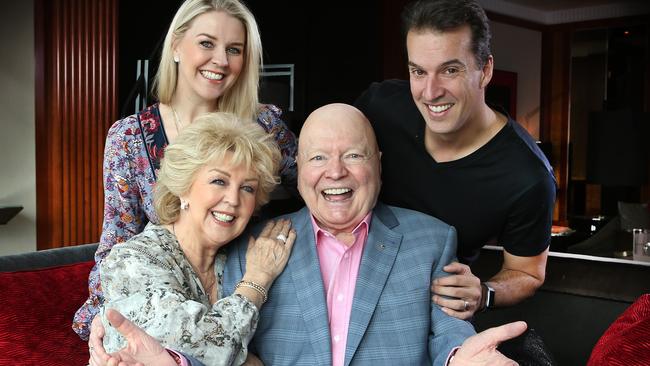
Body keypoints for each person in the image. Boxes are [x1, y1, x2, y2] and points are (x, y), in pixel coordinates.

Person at [89, 103, 527, 366]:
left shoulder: (430, 239)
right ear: (300, 169)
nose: (335, 172)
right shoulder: (253, 250)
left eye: (353, 155)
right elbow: (219, 352)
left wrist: (462, 356)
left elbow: (445, 329)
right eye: (319, 157)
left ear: (376, 162)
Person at [73, 0, 298, 339]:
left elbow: (318, 186)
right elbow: (116, 241)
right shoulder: (130, 137)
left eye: (234, 49)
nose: (221, 61)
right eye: (206, 43)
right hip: (170, 310)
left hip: (256, 299)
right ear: (176, 45)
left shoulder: (263, 125)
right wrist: (102, 323)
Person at [354, 0, 557, 319]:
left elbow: (528, 273)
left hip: (426, 314)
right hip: (346, 288)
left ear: (485, 70)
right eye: (418, 71)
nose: (430, 92)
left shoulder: (528, 176)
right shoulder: (380, 107)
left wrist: (484, 294)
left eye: (450, 70)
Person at [97, 112, 296, 365]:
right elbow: (208, 349)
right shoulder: (132, 261)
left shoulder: (239, 256)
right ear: (183, 187)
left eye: (247, 188)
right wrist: (256, 282)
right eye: (219, 181)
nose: (233, 200)